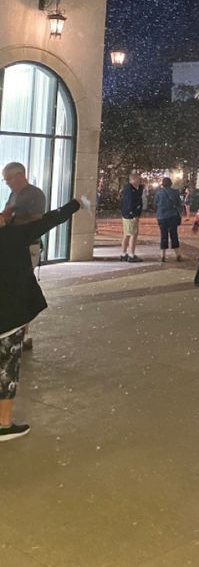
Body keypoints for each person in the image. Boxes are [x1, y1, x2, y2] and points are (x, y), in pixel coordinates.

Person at [0, 197, 84, 440]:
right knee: (7, 368)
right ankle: (3, 424)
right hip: (9, 315)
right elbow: (50, 220)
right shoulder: (14, 236)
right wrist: (74, 204)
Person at [2, 162, 48, 352]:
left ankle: (21, 334)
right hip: (16, 246)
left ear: (20, 175)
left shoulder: (34, 194)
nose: (8, 184)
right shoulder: (15, 194)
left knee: (21, 286)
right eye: (5, 180)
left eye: (9, 179)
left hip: (28, 247)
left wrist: (8, 220)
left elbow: (36, 221)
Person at [154, 177, 183, 263]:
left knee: (163, 235)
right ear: (171, 183)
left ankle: (163, 254)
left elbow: (155, 205)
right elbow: (179, 204)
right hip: (172, 216)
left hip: (161, 216)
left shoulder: (158, 193)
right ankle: (177, 253)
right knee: (174, 234)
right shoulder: (175, 192)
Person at [120, 172, 144, 262]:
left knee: (127, 234)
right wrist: (134, 215)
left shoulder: (130, 189)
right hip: (130, 215)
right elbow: (130, 203)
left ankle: (124, 253)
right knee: (133, 234)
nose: (140, 181)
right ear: (133, 179)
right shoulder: (130, 190)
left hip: (127, 214)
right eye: (138, 179)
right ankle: (131, 254)